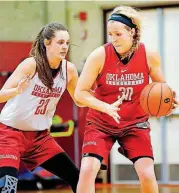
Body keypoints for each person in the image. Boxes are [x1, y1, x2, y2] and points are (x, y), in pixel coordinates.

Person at [75, 6, 178, 193]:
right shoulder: (99, 55)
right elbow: (79, 94)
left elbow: (161, 88)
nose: (113, 39)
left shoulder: (149, 55)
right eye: (110, 34)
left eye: (118, 34)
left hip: (134, 123)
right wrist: (105, 107)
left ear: (133, 32)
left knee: (147, 173)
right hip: (101, 123)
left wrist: (168, 102)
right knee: (88, 169)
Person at [0, 22, 81, 193]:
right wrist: (16, 90)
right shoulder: (31, 65)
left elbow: (80, 100)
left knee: (79, 180)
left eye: (67, 42)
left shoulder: (70, 70)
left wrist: (104, 102)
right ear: (46, 43)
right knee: (7, 187)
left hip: (39, 138)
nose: (65, 47)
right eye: (60, 42)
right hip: (10, 134)